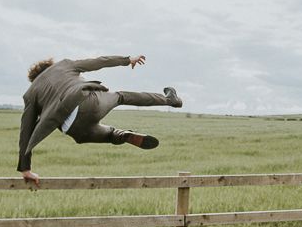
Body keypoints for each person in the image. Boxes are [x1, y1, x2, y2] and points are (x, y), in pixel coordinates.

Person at [17, 54, 182, 186]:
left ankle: (119, 135)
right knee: (120, 96)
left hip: (72, 128)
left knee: (104, 135)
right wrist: (127, 60)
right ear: (49, 65)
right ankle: (170, 100)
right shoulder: (63, 65)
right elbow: (98, 62)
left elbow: (26, 130)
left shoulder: (30, 93)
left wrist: (25, 169)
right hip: (88, 103)